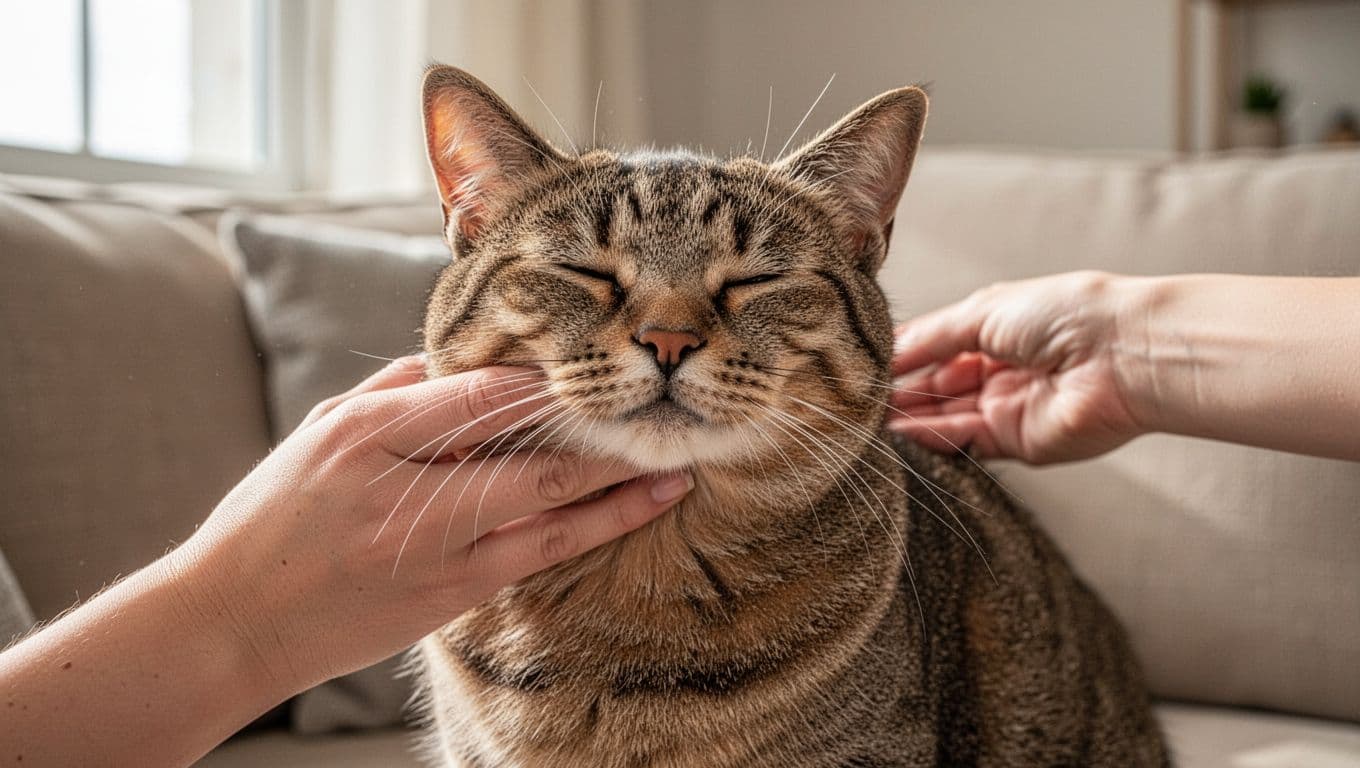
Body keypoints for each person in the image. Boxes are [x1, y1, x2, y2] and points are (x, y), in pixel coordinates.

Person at [2, 270, 1356, 766]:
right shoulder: (416, 565)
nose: (666, 334)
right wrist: (232, 608)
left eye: (752, 288)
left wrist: (1139, 337)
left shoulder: (886, 554)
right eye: (583, 282)